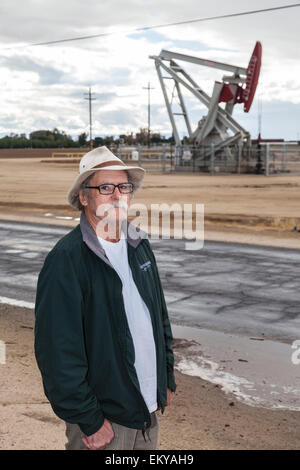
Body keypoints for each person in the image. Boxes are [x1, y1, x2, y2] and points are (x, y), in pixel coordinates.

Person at [34, 146, 176, 450]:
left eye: (124, 187)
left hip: (146, 410)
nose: (117, 195)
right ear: (84, 197)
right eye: (105, 187)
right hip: (105, 421)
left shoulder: (139, 245)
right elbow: (57, 352)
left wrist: (167, 377)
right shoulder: (67, 259)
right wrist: (89, 420)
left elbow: (158, 316)